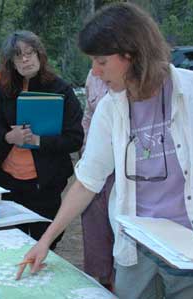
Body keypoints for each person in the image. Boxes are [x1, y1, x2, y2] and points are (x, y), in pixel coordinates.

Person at [17, 3, 193, 299]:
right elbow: (87, 181)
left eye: (101, 62)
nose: (95, 73)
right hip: (135, 251)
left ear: (132, 54)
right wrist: (45, 241)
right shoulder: (110, 109)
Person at [0, 31, 84, 249]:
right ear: (11, 62)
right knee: (14, 242)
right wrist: (7, 136)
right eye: (18, 55)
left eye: (30, 53)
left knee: (44, 243)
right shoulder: (5, 89)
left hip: (45, 184)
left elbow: (75, 138)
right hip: (9, 181)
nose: (25, 59)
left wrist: (40, 140)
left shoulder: (61, 89)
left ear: (40, 54)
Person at [80, 70, 115, 289]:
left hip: (125, 175)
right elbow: (88, 116)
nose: (96, 66)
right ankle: (103, 287)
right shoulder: (92, 76)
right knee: (96, 241)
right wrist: (85, 152)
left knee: (123, 249)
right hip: (94, 171)